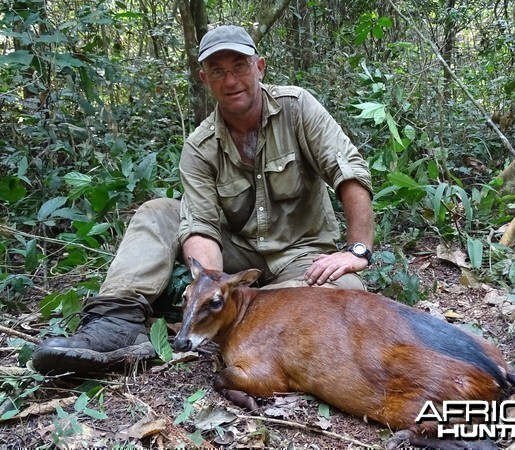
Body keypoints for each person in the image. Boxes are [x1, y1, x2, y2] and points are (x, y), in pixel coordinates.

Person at [32, 25, 374, 375]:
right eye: (218, 71)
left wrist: (356, 250)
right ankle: (116, 325)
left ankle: (234, 321)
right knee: (159, 211)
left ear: (259, 67)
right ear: (204, 78)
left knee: (340, 291)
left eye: (239, 66)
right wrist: (211, 285)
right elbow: (200, 224)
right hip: (235, 252)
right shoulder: (199, 146)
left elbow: (349, 171)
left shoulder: (297, 107)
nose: (231, 81)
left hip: (303, 255)